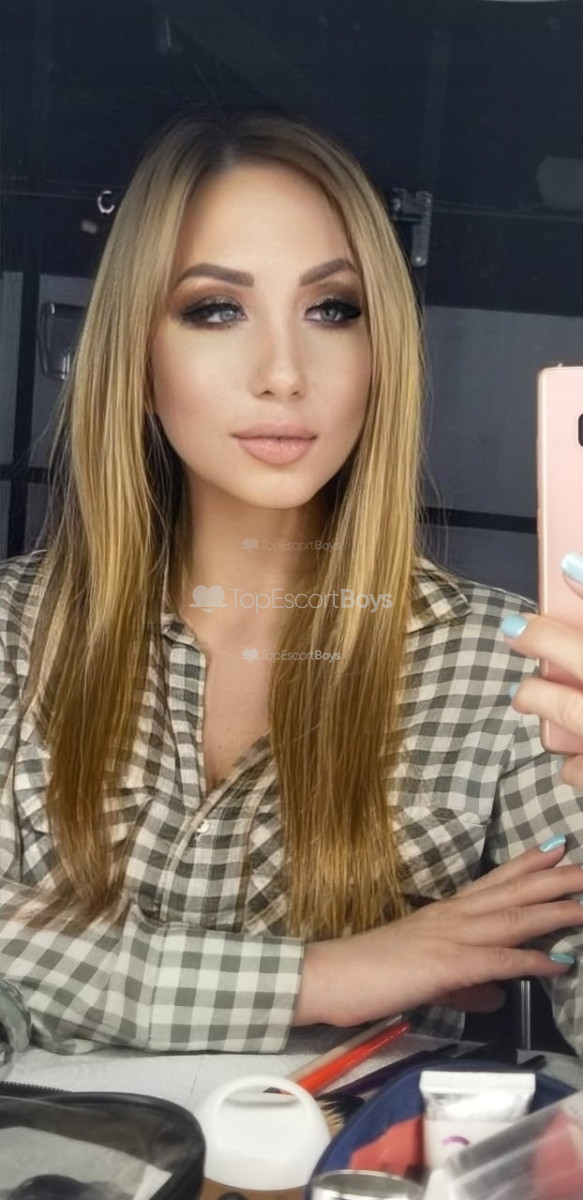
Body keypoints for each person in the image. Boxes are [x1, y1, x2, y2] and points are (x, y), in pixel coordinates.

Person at [1, 109, 583, 1058]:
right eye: (214, 309)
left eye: (333, 310)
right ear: (136, 357)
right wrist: (328, 976)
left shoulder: (508, 663)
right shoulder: (12, 634)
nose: (283, 373)